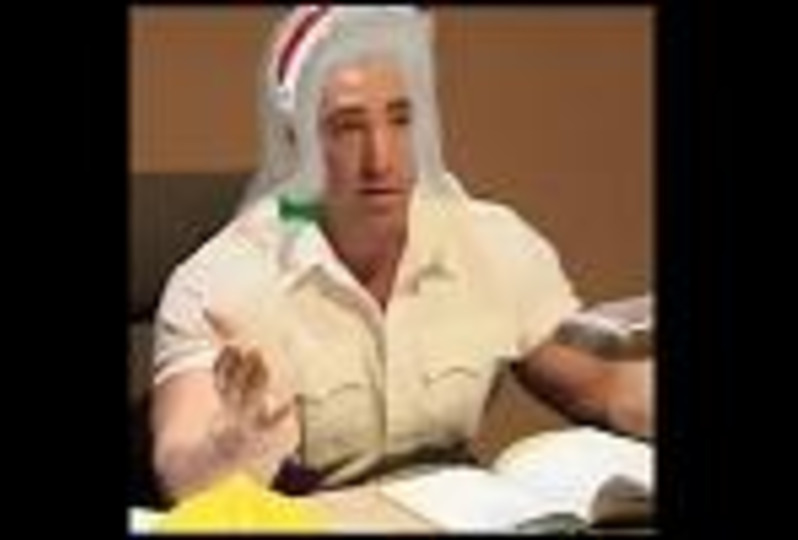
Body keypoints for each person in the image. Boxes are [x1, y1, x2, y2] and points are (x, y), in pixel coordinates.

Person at [149, 5, 653, 503]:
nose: (381, 159)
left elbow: (608, 386)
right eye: (348, 126)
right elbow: (183, 472)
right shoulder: (224, 280)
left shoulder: (490, 242)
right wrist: (233, 446)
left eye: (401, 119)